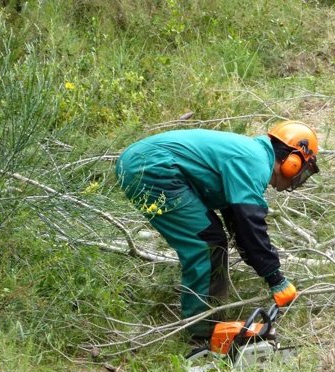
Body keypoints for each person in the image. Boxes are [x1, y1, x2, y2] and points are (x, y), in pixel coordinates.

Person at [115, 120, 319, 345]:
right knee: (206, 244)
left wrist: (268, 271)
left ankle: (205, 324)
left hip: (143, 164)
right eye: (303, 170)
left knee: (212, 239)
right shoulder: (255, 162)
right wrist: (276, 279)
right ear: (292, 161)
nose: (299, 177)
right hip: (153, 168)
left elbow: (239, 228)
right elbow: (250, 225)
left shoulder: (252, 156)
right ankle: (201, 336)